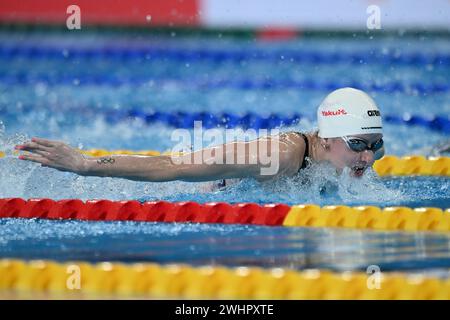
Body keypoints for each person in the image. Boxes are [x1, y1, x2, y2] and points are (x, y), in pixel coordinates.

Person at [14, 87, 385, 186]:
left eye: (374, 146)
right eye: (357, 145)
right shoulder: (278, 155)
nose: (367, 158)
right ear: (325, 139)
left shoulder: (340, 165)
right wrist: (84, 163)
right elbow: (172, 166)